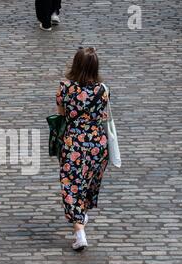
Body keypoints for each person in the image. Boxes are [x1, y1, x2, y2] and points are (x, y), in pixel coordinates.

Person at [56, 47, 110, 251]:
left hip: (74, 144)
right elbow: (102, 115)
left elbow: (61, 115)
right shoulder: (104, 90)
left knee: (71, 185)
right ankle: (82, 215)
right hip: (98, 143)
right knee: (87, 183)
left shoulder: (65, 88)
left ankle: (79, 231)